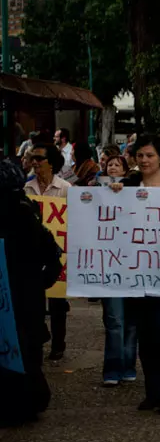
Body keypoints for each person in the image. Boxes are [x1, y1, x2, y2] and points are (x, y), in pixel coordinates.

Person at [110, 134, 160, 414]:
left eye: (150, 155)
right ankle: (153, 391)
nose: (144, 160)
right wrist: (113, 192)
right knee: (145, 335)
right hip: (136, 273)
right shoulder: (128, 185)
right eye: (140, 155)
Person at [0, 161, 63, 426]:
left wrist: (38, 281)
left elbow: (50, 254)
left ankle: (22, 404)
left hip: (19, 295)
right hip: (23, 294)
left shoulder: (20, 214)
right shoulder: (27, 210)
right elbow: (52, 255)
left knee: (19, 350)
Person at [23, 143, 72, 361]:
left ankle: (58, 344)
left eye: (39, 159)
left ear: (51, 162)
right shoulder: (26, 188)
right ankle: (38, 343)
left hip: (59, 251)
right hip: (33, 252)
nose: (35, 162)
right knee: (34, 301)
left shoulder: (65, 188)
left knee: (58, 301)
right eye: (32, 158)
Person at [99, 155, 138, 386]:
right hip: (109, 264)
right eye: (109, 164)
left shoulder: (135, 191)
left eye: (117, 165)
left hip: (133, 265)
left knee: (132, 321)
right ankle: (112, 368)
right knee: (114, 320)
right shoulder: (95, 191)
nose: (112, 168)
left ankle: (128, 365)